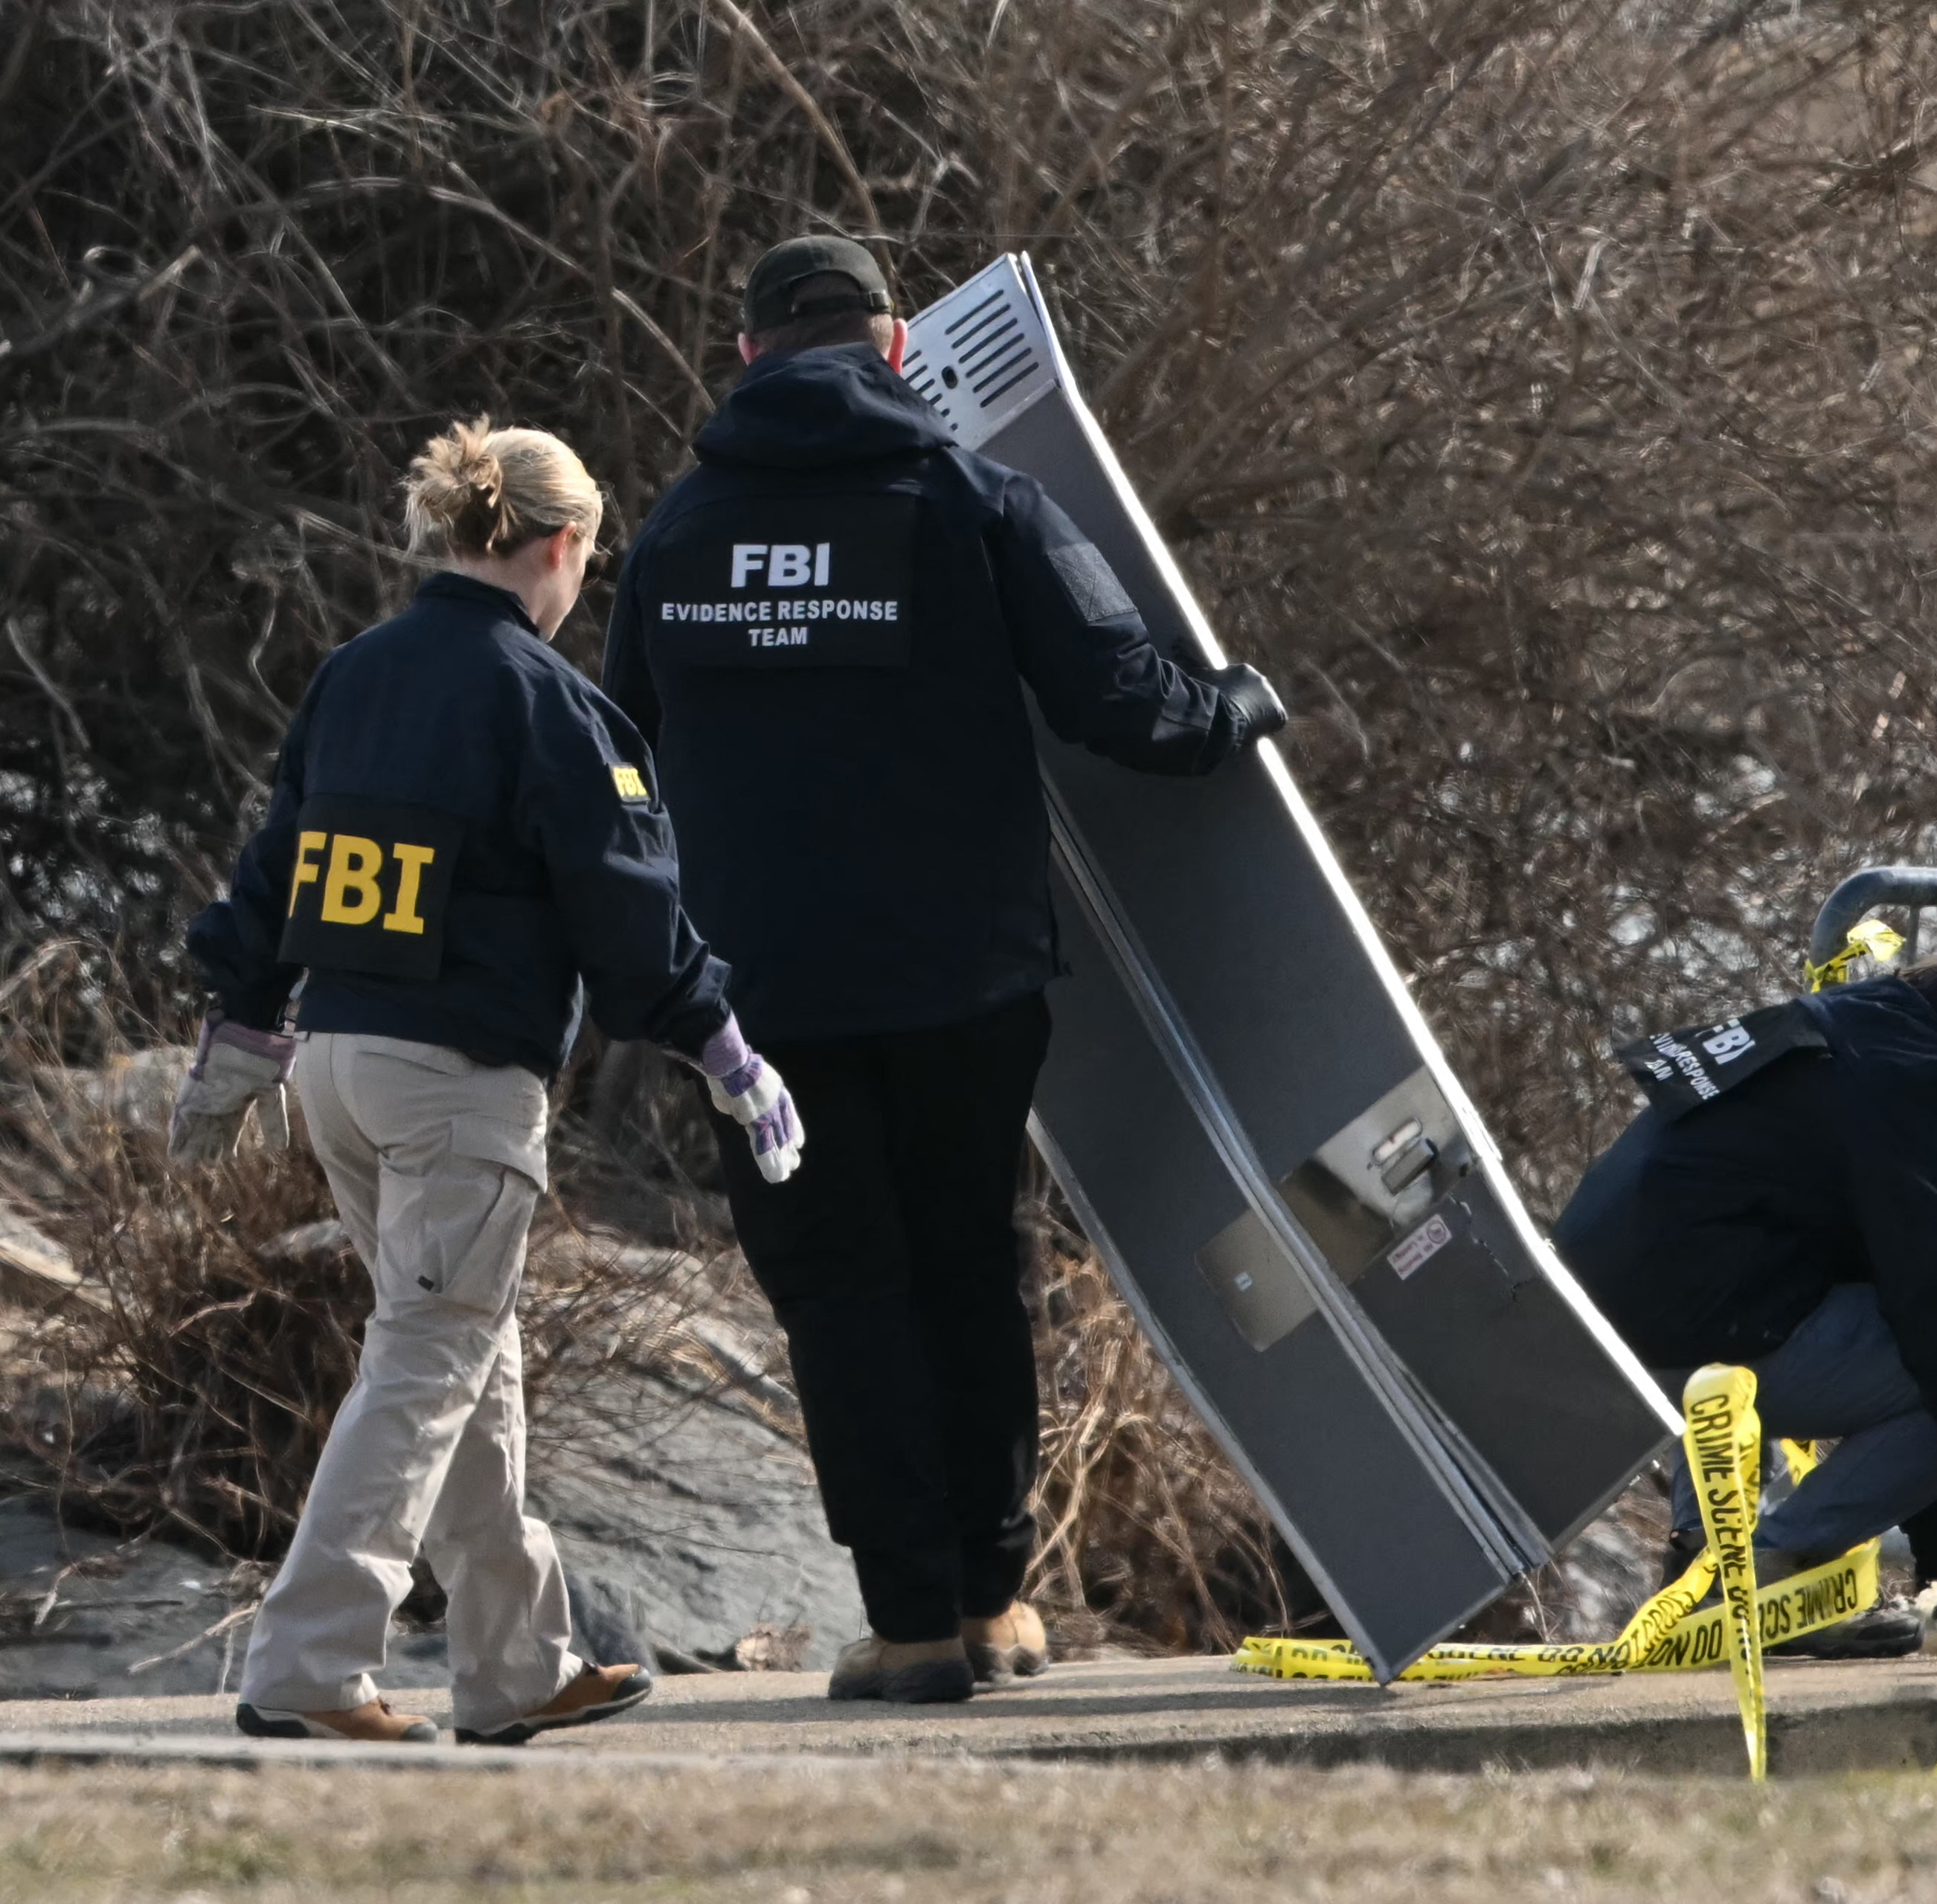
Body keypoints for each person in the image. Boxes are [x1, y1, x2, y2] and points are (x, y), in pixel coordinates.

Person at [601, 236, 1288, 1705]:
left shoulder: (675, 534)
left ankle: (910, 1624)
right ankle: (992, 1601)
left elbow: (618, 757)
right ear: (898, 350)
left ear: (745, 360)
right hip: (964, 985)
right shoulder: (975, 502)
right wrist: (1242, 703)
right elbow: (1130, 706)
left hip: (763, 1003)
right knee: (970, 1268)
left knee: (841, 1295)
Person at [176, 421, 805, 1746]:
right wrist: (725, 1047)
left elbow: (279, 857)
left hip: (336, 1069)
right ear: (563, 547)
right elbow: (631, 917)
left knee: (471, 1355)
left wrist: (238, 1029)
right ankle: (306, 1664)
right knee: (426, 1358)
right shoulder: (548, 703)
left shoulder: (354, 676)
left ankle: (516, 1667)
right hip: (458, 1081)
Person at [1555, 927, 1937, 1650]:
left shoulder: (1870, 1024)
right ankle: (1765, 1582)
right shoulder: (1923, 1086)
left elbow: (1894, 1280)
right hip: (1678, 1330)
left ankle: (1706, 1565)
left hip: (1588, 1314)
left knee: (1841, 1326)